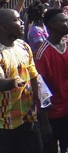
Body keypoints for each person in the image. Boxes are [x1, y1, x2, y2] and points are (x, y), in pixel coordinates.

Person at [35, 8, 68, 153]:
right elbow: (40, 87)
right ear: (53, 25)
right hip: (52, 114)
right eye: (64, 21)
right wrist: (45, 121)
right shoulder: (42, 53)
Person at [0, 9, 43, 153]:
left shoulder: (24, 46)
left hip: (28, 120)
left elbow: (34, 76)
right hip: (5, 125)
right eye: (17, 20)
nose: (22, 22)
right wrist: (10, 83)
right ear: (4, 27)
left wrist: (40, 110)